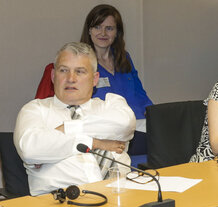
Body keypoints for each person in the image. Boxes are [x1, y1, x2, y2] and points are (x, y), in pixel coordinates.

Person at [14, 42, 136, 196]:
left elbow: (124, 124)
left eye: (80, 71)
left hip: (121, 194)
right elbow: (30, 149)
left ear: (95, 78)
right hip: (62, 204)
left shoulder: (111, 106)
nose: (71, 78)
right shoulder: (35, 110)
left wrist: (66, 129)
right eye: (63, 70)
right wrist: (96, 143)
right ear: (53, 76)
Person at [34, 4, 153, 126]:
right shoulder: (81, 63)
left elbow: (140, 93)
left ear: (117, 32)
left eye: (109, 28)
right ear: (89, 30)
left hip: (139, 124)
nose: (103, 33)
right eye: (97, 27)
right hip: (103, 128)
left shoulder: (123, 57)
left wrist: (153, 114)